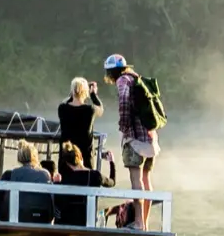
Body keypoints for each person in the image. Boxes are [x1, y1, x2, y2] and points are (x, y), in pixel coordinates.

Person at [104, 54, 161, 192]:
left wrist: (124, 127)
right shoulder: (136, 78)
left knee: (136, 179)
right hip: (150, 137)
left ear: (111, 72)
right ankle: (144, 208)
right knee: (146, 178)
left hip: (135, 139)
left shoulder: (122, 80)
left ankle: (137, 208)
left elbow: (124, 101)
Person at [3, 142, 54, 223]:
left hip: (20, 216)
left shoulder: (16, 172)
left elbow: (10, 197)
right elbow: (50, 199)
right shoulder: (45, 173)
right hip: (42, 217)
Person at [57, 77, 100, 171]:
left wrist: (73, 93)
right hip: (85, 158)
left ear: (72, 91)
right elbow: (100, 109)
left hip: (66, 157)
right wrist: (93, 94)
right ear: (85, 92)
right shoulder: (90, 110)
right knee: (85, 179)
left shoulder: (62, 108)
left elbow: (66, 101)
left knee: (66, 178)